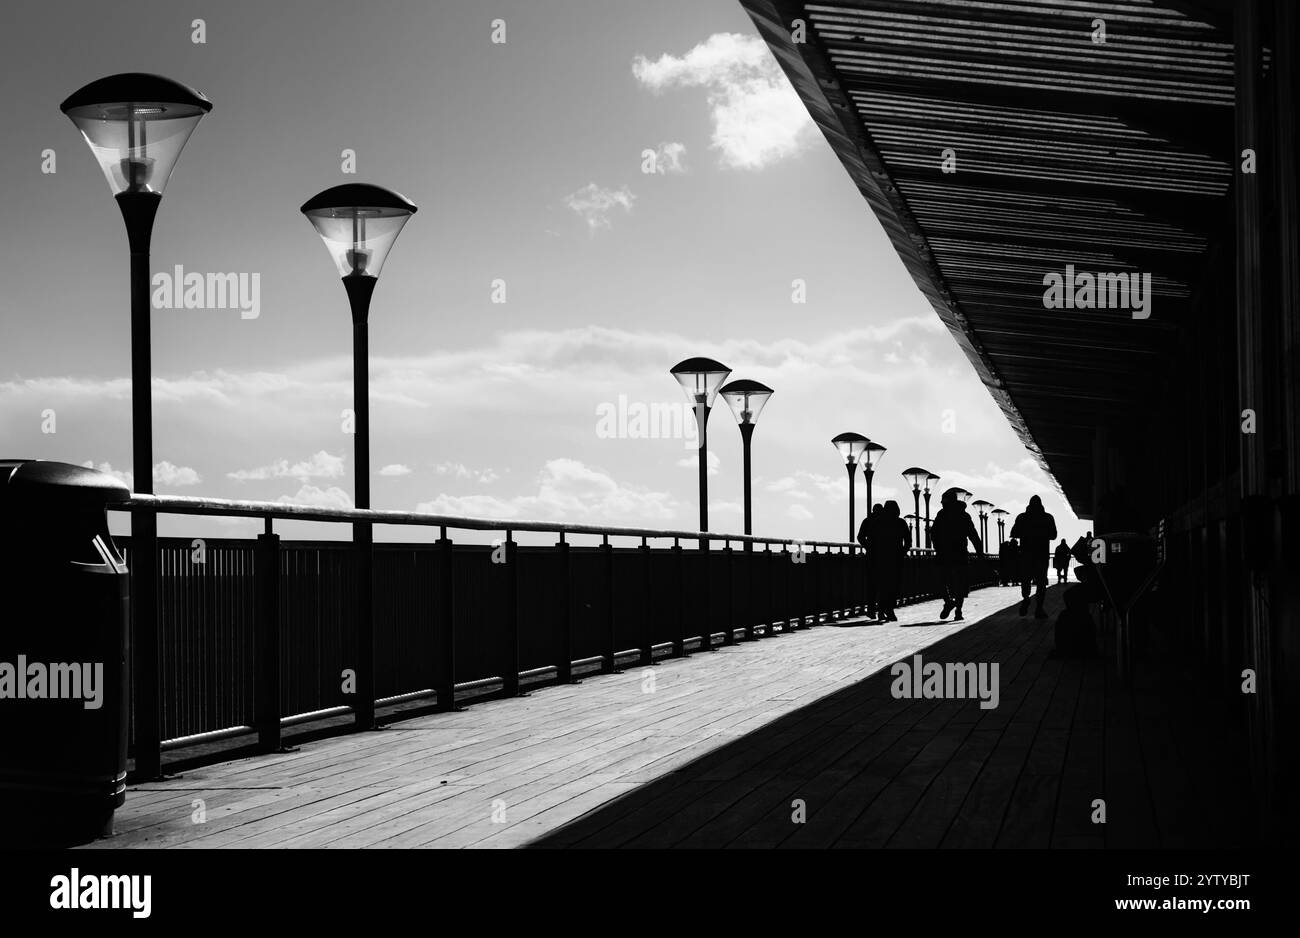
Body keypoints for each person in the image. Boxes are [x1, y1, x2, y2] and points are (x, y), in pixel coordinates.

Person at [930, 488, 982, 621]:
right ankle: (957, 610)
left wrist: (937, 546)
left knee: (941, 580)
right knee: (959, 583)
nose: (941, 503)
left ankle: (949, 602)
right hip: (960, 553)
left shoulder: (941, 515)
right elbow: (973, 535)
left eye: (943, 501)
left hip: (945, 553)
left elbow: (934, 533)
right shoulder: (963, 515)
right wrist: (979, 552)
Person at [1011, 495, 1057, 619]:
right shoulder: (1048, 518)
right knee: (1041, 582)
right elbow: (1054, 535)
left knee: (1025, 579)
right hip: (1042, 554)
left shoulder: (1022, 517)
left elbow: (1014, 533)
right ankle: (1039, 608)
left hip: (1026, 554)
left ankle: (1026, 598)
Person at [867, 500, 911, 621]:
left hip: (880, 558)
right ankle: (888, 609)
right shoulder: (901, 523)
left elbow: (870, 539)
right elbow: (908, 541)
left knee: (882, 584)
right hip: (896, 558)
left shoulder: (877, 523)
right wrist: (902, 552)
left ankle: (882, 610)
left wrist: (872, 551)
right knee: (894, 585)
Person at [856, 503, 884, 619]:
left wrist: (868, 546)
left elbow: (860, 537)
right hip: (883, 556)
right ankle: (881, 610)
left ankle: (871, 610)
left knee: (871, 585)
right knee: (883, 584)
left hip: (871, 556)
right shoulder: (885, 522)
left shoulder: (867, 521)